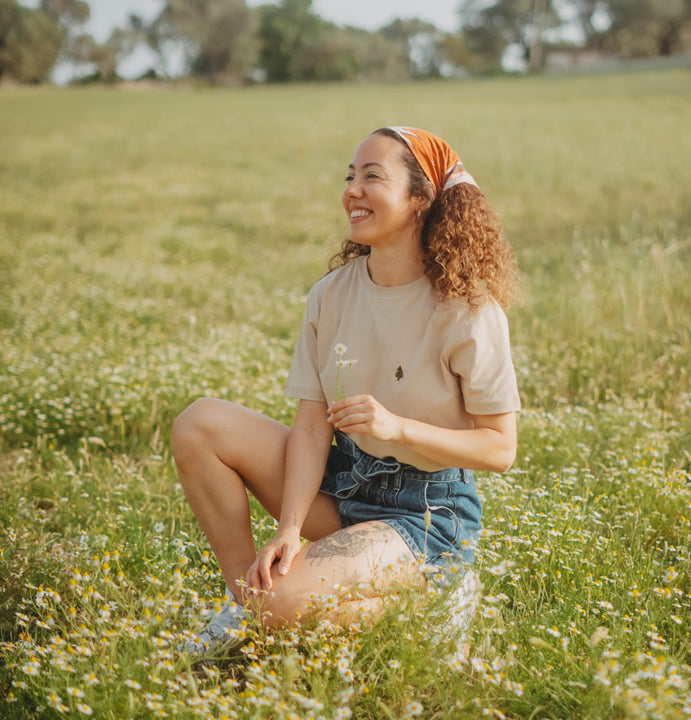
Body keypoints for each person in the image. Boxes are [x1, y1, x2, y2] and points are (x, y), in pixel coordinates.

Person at [171, 126, 521, 657]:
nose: (353, 190)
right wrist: (289, 527)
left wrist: (396, 427)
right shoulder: (331, 294)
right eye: (350, 176)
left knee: (284, 606)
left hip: (425, 511)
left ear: (421, 198)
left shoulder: (468, 309)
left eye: (373, 177)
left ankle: (438, 596)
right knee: (200, 424)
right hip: (345, 483)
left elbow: (500, 448)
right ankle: (245, 604)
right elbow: (312, 425)